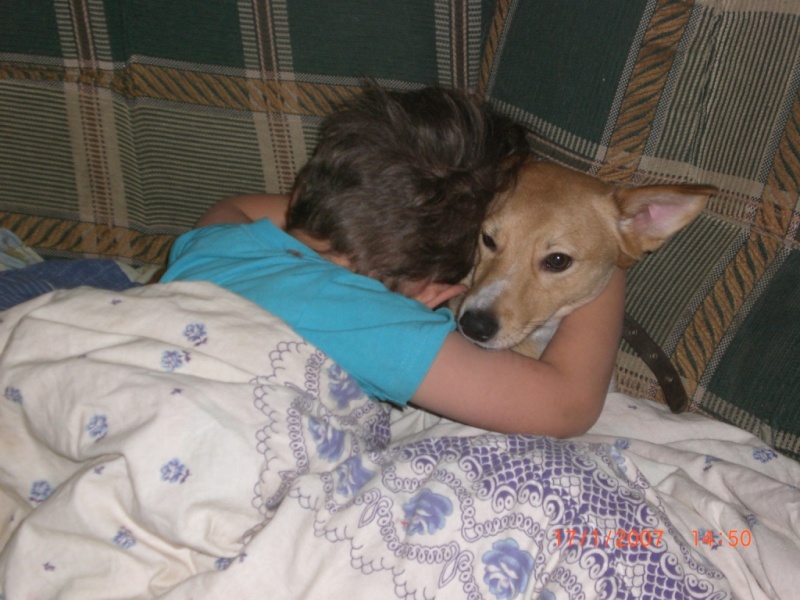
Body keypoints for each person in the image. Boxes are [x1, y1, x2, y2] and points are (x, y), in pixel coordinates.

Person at [161, 84, 625, 438]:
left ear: (302, 190)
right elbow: (567, 407)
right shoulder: (379, 326)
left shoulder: (217, 241)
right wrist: (610, 251)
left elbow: (239, 205)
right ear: (430, 290)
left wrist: (349, 209)